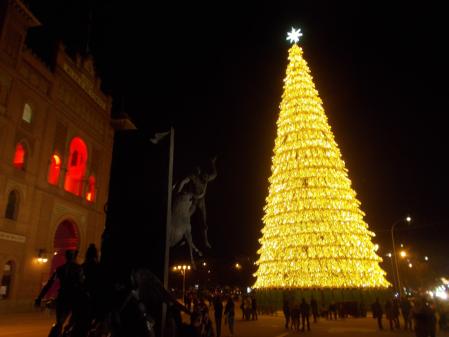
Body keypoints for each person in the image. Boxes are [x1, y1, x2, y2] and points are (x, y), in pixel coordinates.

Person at [35, 250, 88, 337]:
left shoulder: (60, 269)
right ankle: (67, 331)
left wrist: (39, 297)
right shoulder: (78, 268)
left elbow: (49, 284)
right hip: (75, 298)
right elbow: (82, 283)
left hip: (62, 297)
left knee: (59, 322)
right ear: (74, 257)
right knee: (74, 321)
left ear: (66, 257)